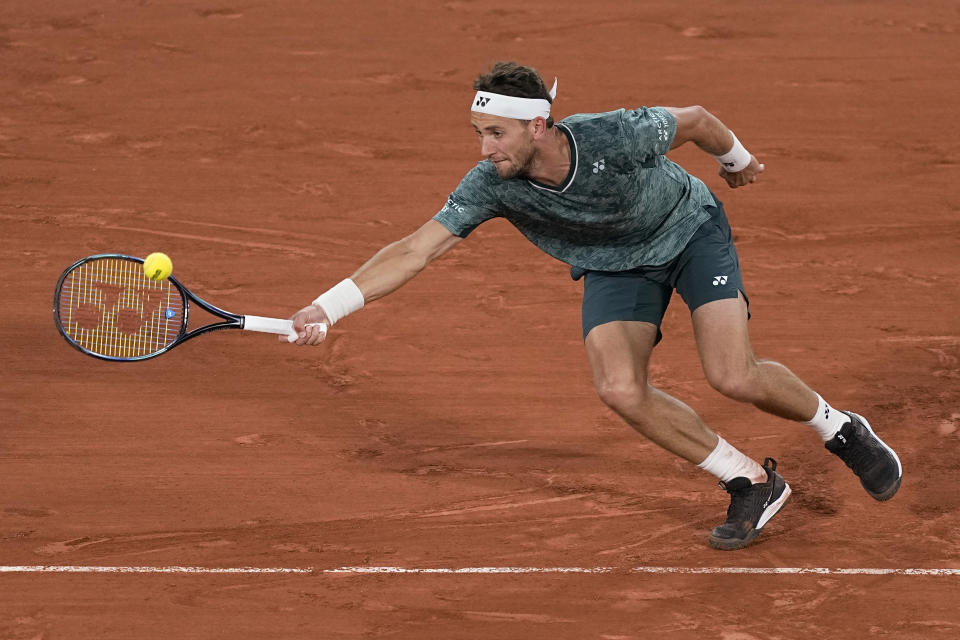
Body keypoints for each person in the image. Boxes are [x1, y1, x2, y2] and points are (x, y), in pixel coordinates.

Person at [282, 61, 902, 551]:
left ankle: (839, 429)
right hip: (615, 265)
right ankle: (751, 481)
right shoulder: (489, 186)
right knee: (619, 388)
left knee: (732, 374)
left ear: (538, 126)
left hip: (688, 231)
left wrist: (734, 161)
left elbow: (696, 120)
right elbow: (415, 250)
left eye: (495, 134)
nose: (483, 150)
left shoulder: (615, 134)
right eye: (478, 135)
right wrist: (326, 308)